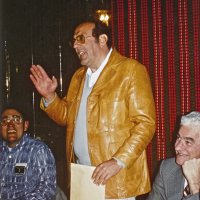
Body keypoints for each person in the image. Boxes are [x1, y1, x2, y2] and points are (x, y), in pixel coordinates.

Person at [30, 19, 156, 199]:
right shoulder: (78, 77)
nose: (74, 45)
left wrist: (118, 161)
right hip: (83, 176)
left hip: (115, 179)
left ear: (102, 39)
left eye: (80, 38)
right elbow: (67, 117)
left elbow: (146, 124)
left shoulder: (130, 71)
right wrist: (51, 97)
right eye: (73, 41)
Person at [0, 106, 57, 200]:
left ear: (25, 125)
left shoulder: (38, 150)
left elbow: (47, 189)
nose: (10, 125)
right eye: (5, 121)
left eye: (16, 119)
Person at [147, 111, 200, 200]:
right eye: (178, 138)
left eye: (188, 142)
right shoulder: (167, 168)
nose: (177, 147)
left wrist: (194, 186)